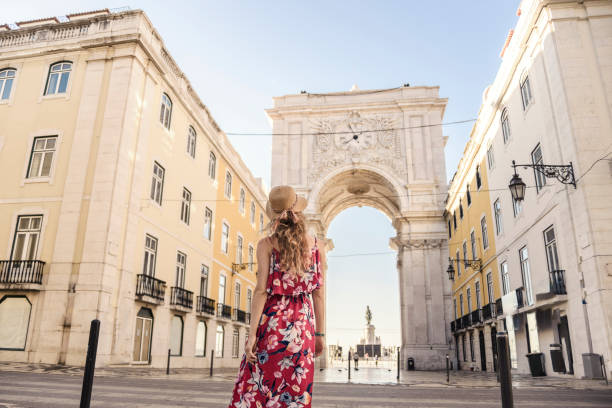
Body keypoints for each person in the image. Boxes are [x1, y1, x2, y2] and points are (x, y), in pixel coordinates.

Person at [228, 185, 326, 408]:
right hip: (302, 329)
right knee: (295, 391)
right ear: (298, 213)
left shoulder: (266, 245)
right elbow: (318, 294)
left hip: (271, 325)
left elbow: (261, 291)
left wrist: (252, 335)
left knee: (260, 386)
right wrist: (320, 334)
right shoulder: (316, 246)